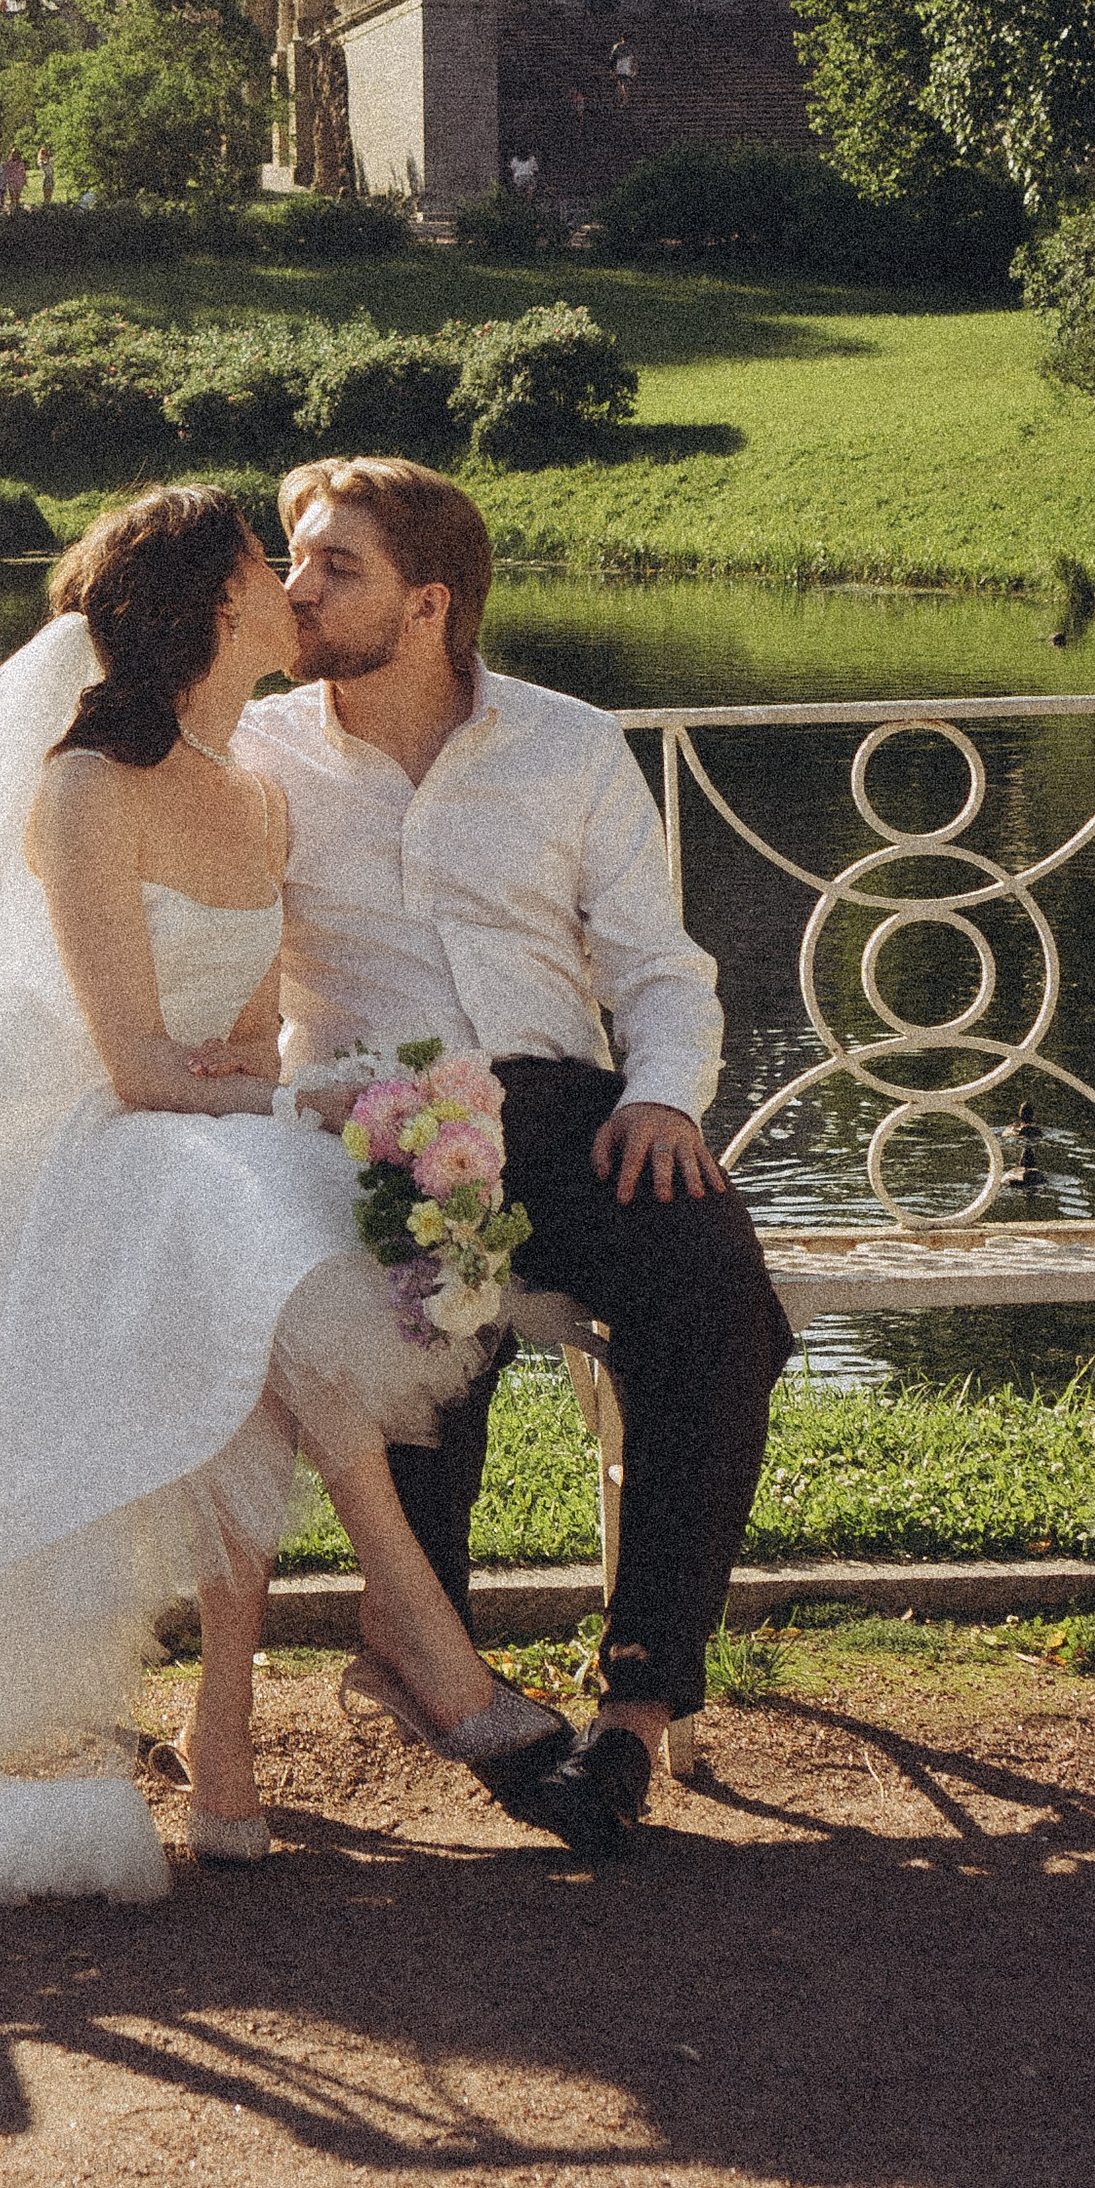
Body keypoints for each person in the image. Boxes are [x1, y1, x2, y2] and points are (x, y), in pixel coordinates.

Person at [0, 485, 577, 1905]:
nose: (297, 592)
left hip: (185, 1149)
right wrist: (302, 1099)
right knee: (250, 1222)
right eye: (268, 575)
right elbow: (140, 1066)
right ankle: (417, 1643)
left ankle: (239, 1737)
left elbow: (238, 1031)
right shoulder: (86, 788)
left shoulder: (261, 792)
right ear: (219, 613)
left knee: (254, 1238)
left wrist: (298, 1087)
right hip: (54, 1161)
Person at [232, 460, 794, 1861]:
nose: (295, 589)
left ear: (428, 605)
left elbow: (660, 969)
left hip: (571, 1115)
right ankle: (435, 1660)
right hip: (381, 1125)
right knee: (425, 1319)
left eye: (332, 567)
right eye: (297, 561)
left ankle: (640, 1710)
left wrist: (667, 1099)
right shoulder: (259, 760)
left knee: (721, 1303)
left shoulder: (570, 745)